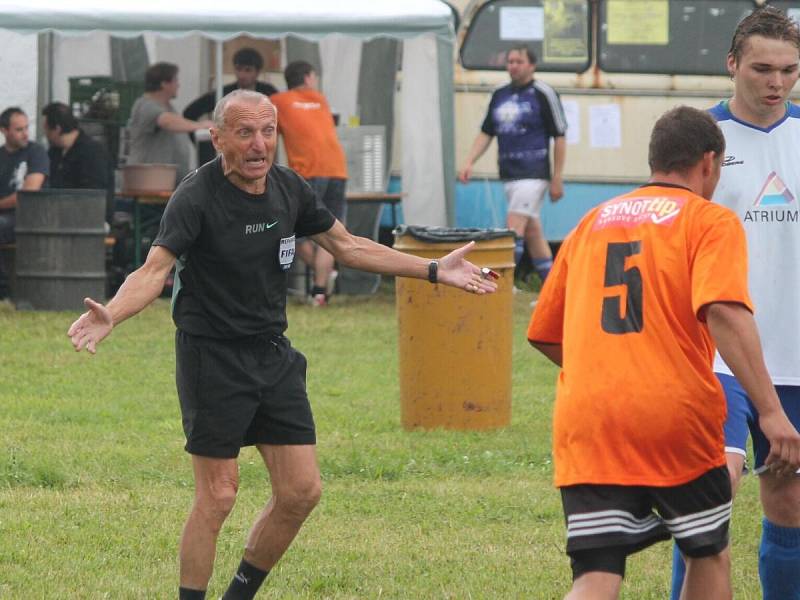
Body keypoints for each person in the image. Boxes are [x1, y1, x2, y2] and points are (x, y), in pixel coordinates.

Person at [67, 89, 496, 600]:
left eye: (268, 131)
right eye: (245, 132)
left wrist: (432, 268)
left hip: (272, 354)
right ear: (218, 138)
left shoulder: (290, 189)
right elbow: (153, 270)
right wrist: (111, 314)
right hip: (212, 356)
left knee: (300, 492)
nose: (258, 144)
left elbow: (349, 246)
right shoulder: (196, 196)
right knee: (219, 496)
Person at [527, 106, 800, 600]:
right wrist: (771, 411)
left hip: (589, 419)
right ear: (709, 163)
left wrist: (609, 370)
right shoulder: (709, 221)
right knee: (707, 551)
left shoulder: (591, 223)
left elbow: (545, 332)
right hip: (675, 416)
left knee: (596, 576)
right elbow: (725, 312)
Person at [670, 8, 800, 600]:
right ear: (733, 65)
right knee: (711, 499)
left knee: (789, 500)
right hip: (716, 355)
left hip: (793, 357)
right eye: (763, 69)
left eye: (790, 70)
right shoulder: (700, 140)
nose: (777, 82)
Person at [458, 44, 566, 289]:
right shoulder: (499, 94)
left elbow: (559, 136)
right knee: (533, 233)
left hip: (534, 173)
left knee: (513, 229)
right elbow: (487, 132)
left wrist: (557, 177)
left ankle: (504, 285)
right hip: (509, 173)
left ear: (531, 65)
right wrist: (469, 161)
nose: (513, 66)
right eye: (510, 62)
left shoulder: (543, 93)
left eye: (519, 61)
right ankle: (553, 289)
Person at [271, 61, 347, 307]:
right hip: (337, 170)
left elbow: (269, 135)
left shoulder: (278, 101)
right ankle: (320, 290)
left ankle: (320, 279)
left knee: (295, 231)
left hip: (306, 173)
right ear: (307, 78)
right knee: (330, 231)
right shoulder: (320, 100)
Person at [183, 47, 278, 167]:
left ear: (257, 72)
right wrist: (206, 145)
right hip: (231, 157)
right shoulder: (224, 93)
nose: (242, 75)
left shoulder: (268, 92)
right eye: (239, 69)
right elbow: (190, 113)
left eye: (248, 70)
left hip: (259, 153)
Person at [127, 62, 215, 182]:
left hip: (168, 181)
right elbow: (166, 121)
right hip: (150, 181)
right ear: (164, 84)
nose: (178, 85)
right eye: (175, 80)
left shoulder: (168, 106)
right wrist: (199, 125)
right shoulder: (146, 106)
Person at [0, 106, 49, 298]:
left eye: (26, 128)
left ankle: (4, 290)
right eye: (19, 129)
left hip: (29, 216)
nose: (25, 134)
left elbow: (29, 192)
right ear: (4, 131)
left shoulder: (36, 152)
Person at [42, 102, 111, 192]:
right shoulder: (54, 152)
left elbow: (95, 194)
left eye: (46, 129)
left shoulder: (92, 153)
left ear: (57, 129)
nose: (45, 133)